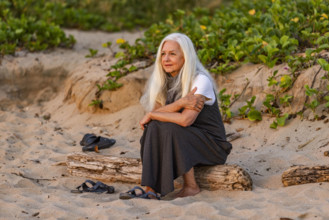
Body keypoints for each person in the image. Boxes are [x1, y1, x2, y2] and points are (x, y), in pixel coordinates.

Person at [129, 33, 232, 199]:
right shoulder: (163, 81)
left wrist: (155, 114)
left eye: (172, 54)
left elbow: (185, 120)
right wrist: (179, 104)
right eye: (163, 54)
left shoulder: (200, 80)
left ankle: (191, 187)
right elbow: (155, 117)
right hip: (186, 141)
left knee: (171, 127)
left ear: (186, 56)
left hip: (212, 146)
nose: (166, 59)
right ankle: (150, 188)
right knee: (153, 127)